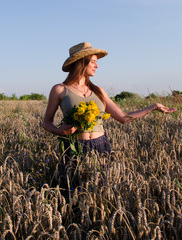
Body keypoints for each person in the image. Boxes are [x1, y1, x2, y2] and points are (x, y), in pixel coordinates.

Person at [43, 42, 177, 191]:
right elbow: (46, 123)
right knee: (73, 191)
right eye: (93, 62)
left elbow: (123, 117)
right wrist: (60, 131)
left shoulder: (98, 91)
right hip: (74, 148)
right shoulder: (60, 90)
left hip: (100, 146)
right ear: (82, 61)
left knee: (101, 192)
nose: (97, 66)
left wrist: (152, 107)